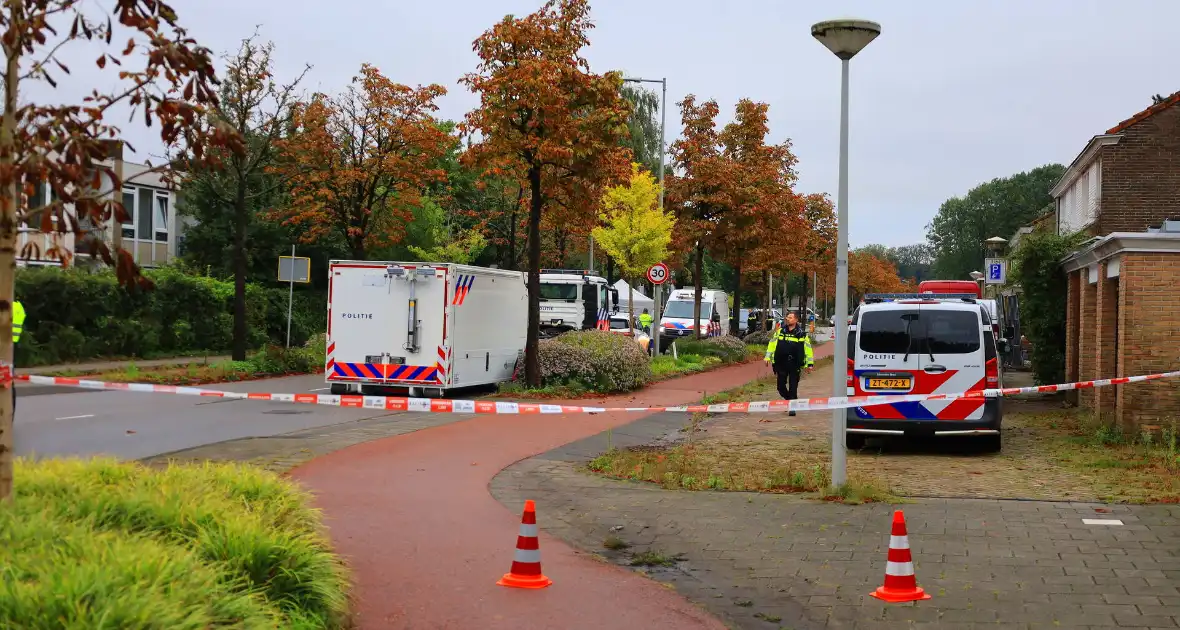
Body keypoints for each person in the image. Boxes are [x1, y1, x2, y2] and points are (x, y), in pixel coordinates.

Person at [764, 311, 813, 417]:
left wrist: (810, 364)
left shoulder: (801, 334)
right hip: (781, 362)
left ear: (796, 320)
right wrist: (767, 357)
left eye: (790, 317)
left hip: (795, 363)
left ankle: (792, 407)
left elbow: (808, 349)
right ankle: (790, 400)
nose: (787, 319)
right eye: (787, 317)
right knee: (780, 386)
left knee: (793, 386)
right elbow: (772, 344)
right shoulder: (780, 332)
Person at [11, 299, 24, 412]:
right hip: (11, 345)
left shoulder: (6, 306)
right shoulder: (17, 306)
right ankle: (10, 413)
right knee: (8, 381)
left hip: (5, 347)